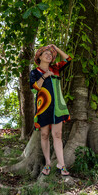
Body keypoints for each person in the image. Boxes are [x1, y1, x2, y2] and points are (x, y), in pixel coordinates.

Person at [29, 44, 72, 176]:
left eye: (51, 54)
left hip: (57, 107)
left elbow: (68, 59)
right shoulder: (34, 72)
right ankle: (48, 163)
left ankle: (62, 165)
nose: (49, 55)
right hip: (43, 108)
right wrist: (45, 76)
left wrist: (55, 48)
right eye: (46, 53)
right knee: (44, 135)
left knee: (57, 135)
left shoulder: (56, 68)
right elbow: (34, 88)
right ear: (39, 56)